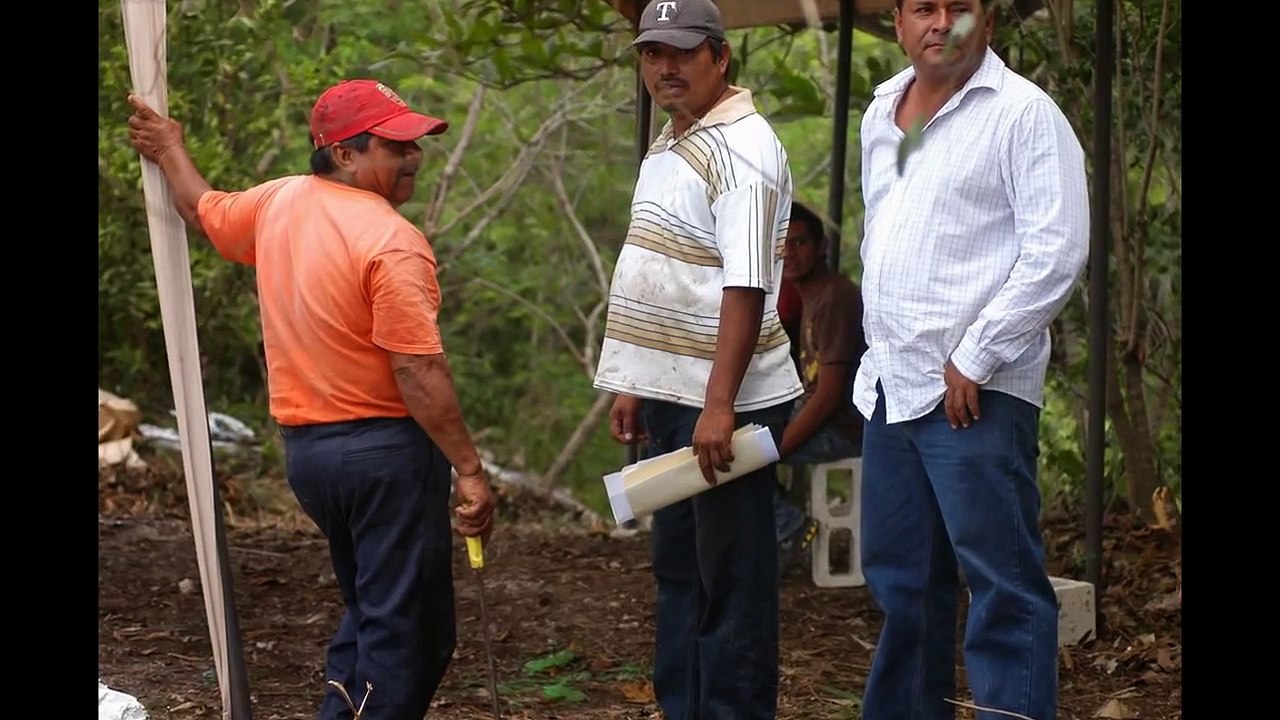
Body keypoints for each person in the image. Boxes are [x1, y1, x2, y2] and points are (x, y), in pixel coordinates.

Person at [126, 79, 498, 720]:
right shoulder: (391, 240)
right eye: (395, 145)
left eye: (414, 144)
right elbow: (416, 369)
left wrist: (170, 149)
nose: (413, 157)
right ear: (347, 155)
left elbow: (201, 209)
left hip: (312, 457)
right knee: (406, 635)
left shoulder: (279, 202)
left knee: (373, 611)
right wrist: (467, 467)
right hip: (383, 454)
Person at [855, 0, 1089, 717]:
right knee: (902, 583)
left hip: (975, 391)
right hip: (893, 384)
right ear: (896, 21)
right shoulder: (881, 113)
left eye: (959, 7)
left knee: (1003, 583)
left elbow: (1057, 251)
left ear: (986, 23)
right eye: (924, 7)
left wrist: (977, 355)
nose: (941, 22)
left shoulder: (1023, 114)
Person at [592, 1, 803, 717]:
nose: (665, 67)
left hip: (728, 399)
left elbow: (745, 285)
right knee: (678, 567)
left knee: (733, 579)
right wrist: (633, 379)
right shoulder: (671, 138)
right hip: (672, 391)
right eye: (653, 53)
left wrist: (720, 405)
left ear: (721, 57)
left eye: (682, 53)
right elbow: (665, 264)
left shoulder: (742, 148)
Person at [772, 201, 867, 573]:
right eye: (783, 244)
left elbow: (828, 396)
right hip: (819, 415)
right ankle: (782, 534)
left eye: (800, 243)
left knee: (739, 459)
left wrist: (778, 447)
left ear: (822, 246)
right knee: (732, 443)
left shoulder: (833, 299)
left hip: (845, 427)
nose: (789, 254)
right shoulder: (807, 296)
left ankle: (791, 528)